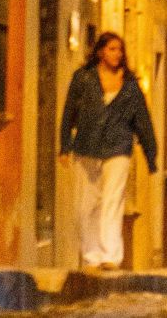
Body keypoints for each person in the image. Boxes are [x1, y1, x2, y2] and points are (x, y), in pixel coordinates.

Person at [59, 32, 158, 271]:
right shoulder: (83, 79)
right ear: (101, 51)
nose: (117, 54)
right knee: (86, 203)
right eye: (112, 49)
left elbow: (142, 122)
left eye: (120, 50)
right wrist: (64, 146)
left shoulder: (131, 87)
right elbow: (69, 112)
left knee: (112, 201)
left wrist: (150, 154)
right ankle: (91, 256)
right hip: (87, 146)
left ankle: (111, 256)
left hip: (118, 147)